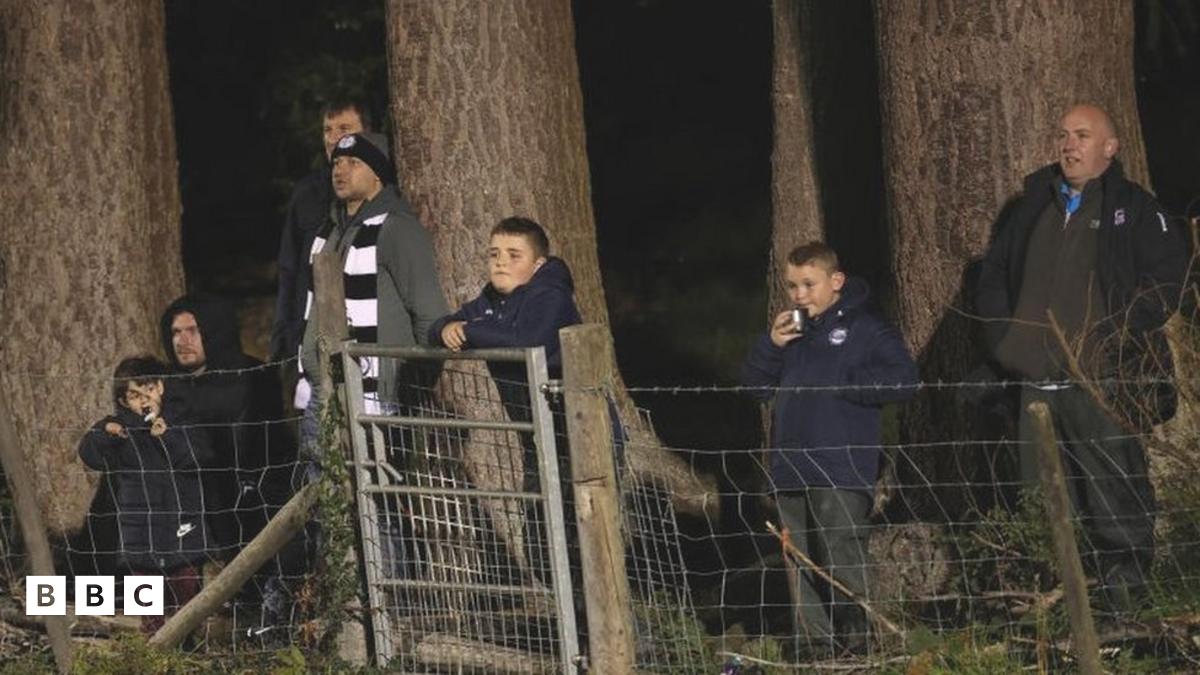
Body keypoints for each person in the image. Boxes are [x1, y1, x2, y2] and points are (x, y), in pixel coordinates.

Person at [976, 104, 1188, 616]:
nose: (1069, 145)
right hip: (1035, 387)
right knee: (1043, 505)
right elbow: (993, 277)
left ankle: (1124, 615)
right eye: (1064, 135)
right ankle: (1058, 618)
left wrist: (1113, 338)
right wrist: (1005, 344)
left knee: (1115, 501)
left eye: (1083, 135)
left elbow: (1169, 281)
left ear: (1110, 148)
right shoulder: (1034, 205)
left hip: (1101, 383)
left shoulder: (1134, 208)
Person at [740, 242, 917, 657]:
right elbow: (754, 386)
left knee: (841, 554)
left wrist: (843, 384)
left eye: (809, 284)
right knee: (800, 562)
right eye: (792, 286)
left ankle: (860, 645)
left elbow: (904, 379)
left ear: (836, 281)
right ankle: (814, 648)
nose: (799, 295)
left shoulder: (865, 329)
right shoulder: (791, 335)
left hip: (840, 465)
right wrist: (771, 344)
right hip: (790, 468)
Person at [428, 216, 584, 585]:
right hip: (538, 440)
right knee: (542, 545)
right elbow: (443, 325)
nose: (501, 262)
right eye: (494, 254)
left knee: (580, 540)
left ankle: (605, 619)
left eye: (514, 255)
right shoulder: (492, 300)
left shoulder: (550, 295)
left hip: (579, 435)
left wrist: (469, 331)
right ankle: (572, 617)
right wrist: (446, 328)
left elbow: (527, 338)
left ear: (538, 264)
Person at [298, 131, 447, 444]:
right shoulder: (329, 230)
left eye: (354, 162)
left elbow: (429, 313)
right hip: (323, 394)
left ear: (377, 173)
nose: (340, 170)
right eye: (337, 162)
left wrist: (412, 384)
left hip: (381, 402)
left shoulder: (396, 228)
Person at [78, 356, 209, 635]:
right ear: (124, 402)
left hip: (182, 529)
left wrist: (167, 436)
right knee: (149, 609)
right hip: (140, 535)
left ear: (161, 387)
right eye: (135, 395)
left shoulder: (182, 420)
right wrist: (104, 431)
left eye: (149, 389)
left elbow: (198, 459)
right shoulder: (123, 431)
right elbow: (91, 455)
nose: (144, 400)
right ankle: (153, 650)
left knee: (186, 598)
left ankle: (188, 647)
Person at [160, 295, 288, 559]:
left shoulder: (252, 377)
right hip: (182, 510)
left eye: (192, 331)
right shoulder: (164, 386)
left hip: (251, 507)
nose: (182, 341)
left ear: (213, 331)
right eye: (176, 332)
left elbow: (271, 449)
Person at [272, 98, 370, 372]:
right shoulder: (307, 195)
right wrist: (282, 342)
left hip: (367, 348)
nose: (333, 138)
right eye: (327, 130)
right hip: (309, 348)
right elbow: (289, 270)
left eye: (344, 128)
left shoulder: (386, 193)